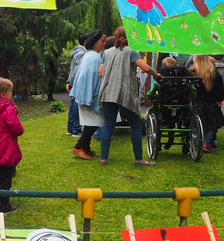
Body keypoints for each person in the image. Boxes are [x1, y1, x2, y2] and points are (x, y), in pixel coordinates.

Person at [98, 26, 161, 167]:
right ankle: (139, 160)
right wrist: (156, 75)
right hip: (124, 94)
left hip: (108, 92)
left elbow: (101, 73)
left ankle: (104, 160)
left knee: (108, 125)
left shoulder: (106, 53)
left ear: (115, 38)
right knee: (135, 125)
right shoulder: (131, 52)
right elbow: (145, 68)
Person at [0, 77, 24, 214]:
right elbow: (17, 129)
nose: (11, 94)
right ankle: (5, 205)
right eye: (10, 92)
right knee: (6, 178)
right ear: (3, 94)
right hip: (6, 148)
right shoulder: (8, 109)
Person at [69, 30, 106, 159]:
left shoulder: (90, 55)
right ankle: (78, 147)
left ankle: (86, 148)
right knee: (93, 123)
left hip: (86, 94)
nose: (104, 43)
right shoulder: (94, 57)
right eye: (102, 41)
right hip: (89, 95)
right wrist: (90, 96)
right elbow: (89, 77)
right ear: (95, 42)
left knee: (91, 122)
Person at [188, 55, 224, 154]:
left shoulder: (191, 72)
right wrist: (219, 99)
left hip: (196, 103)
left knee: (195, 122)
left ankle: (196, 144)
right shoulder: (215, 74)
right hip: (210, 103)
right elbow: (220, 91)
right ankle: (207, 143)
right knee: (213, 121)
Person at [66, 33, 88, 136]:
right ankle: (76, 129)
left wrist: (69, 82)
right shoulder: (82, 53)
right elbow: (77, 69)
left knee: (72, 106)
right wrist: (71, 83)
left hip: (73, 82)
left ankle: (70, 128)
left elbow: (72, 69)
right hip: (77, 82)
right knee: (76, 106)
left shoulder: (76, 52)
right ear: (85, 42)